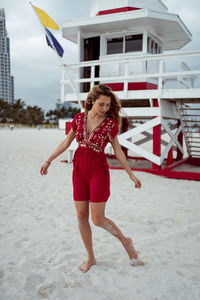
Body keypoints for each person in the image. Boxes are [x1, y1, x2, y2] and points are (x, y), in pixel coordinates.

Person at [40, 84, 145, 273]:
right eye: (101, 104)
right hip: (80, 168)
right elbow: (66, 143)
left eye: (107, 105)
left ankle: (126, 242)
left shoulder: (110, 124)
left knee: (97, 219)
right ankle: (90, 257)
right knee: (81, 216)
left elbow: (118, 150)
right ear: (92, 101)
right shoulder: (79, 118)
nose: (105, 109)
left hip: (98, 169)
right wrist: (48, 160)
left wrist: (131, 174)